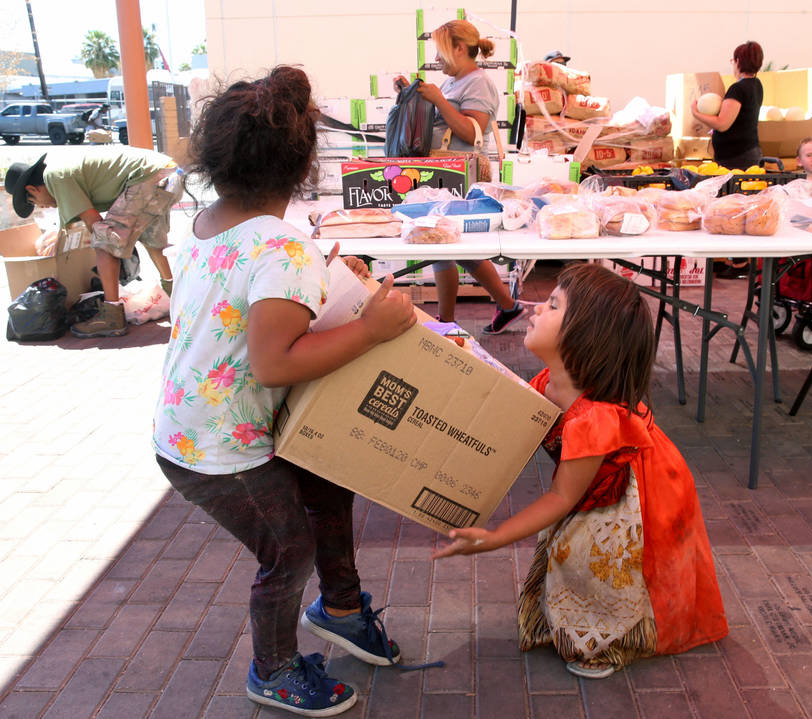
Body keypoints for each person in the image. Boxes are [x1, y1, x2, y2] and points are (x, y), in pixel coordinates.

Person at [152, 66, 417, 717]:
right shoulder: (283, 247)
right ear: (303, 167)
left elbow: (251, 309)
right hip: (222, 446)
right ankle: (272, 669)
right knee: (287, 548)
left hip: (189, 425)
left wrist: (328, 279)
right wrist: (371, 328)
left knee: (327, 483)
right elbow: (275, 362)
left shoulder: (206, 223)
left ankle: (343, 608)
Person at [433, 263, 728, 679]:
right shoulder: (550, 382)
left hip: (636, 490)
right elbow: (506, 411)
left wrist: (495, 537)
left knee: (598, 560)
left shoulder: (594, 419)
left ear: (584, 336)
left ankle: (606, 639)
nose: (533, 308)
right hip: (599, 480)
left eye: (553, 304)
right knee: (577, 547)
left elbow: (561, 498)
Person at [398, 19, 524, 332]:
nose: (437, 59)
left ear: (458, 48)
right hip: (445, 172)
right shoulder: (457, 82)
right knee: (446, 244)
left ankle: (453, 319)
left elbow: (472, 132)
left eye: (441, 52)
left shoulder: (478, 82)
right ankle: (494, 310)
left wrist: (438, 100)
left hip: (461, 174)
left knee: (450, 245)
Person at [4, 147, 183, 338]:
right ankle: (177, 299)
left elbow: (94, 223)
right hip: (170, 173)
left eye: (33, 202)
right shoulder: (62, 169)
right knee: (152, 242)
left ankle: (112, 317)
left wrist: (106, 247)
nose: (41, 206)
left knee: (103, 240)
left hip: (148, 177)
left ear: (32, 188)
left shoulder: (55, 177)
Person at [692, 40, 765, 278]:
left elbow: (723, 123)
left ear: (738, 62)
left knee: (732, 207)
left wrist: (697, 114)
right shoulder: (756, 85)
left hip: (737, 157)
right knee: (736, 205)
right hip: (746, 152)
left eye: (733, 60)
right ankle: (728, 259)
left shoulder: (739, 89)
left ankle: (739, 264)